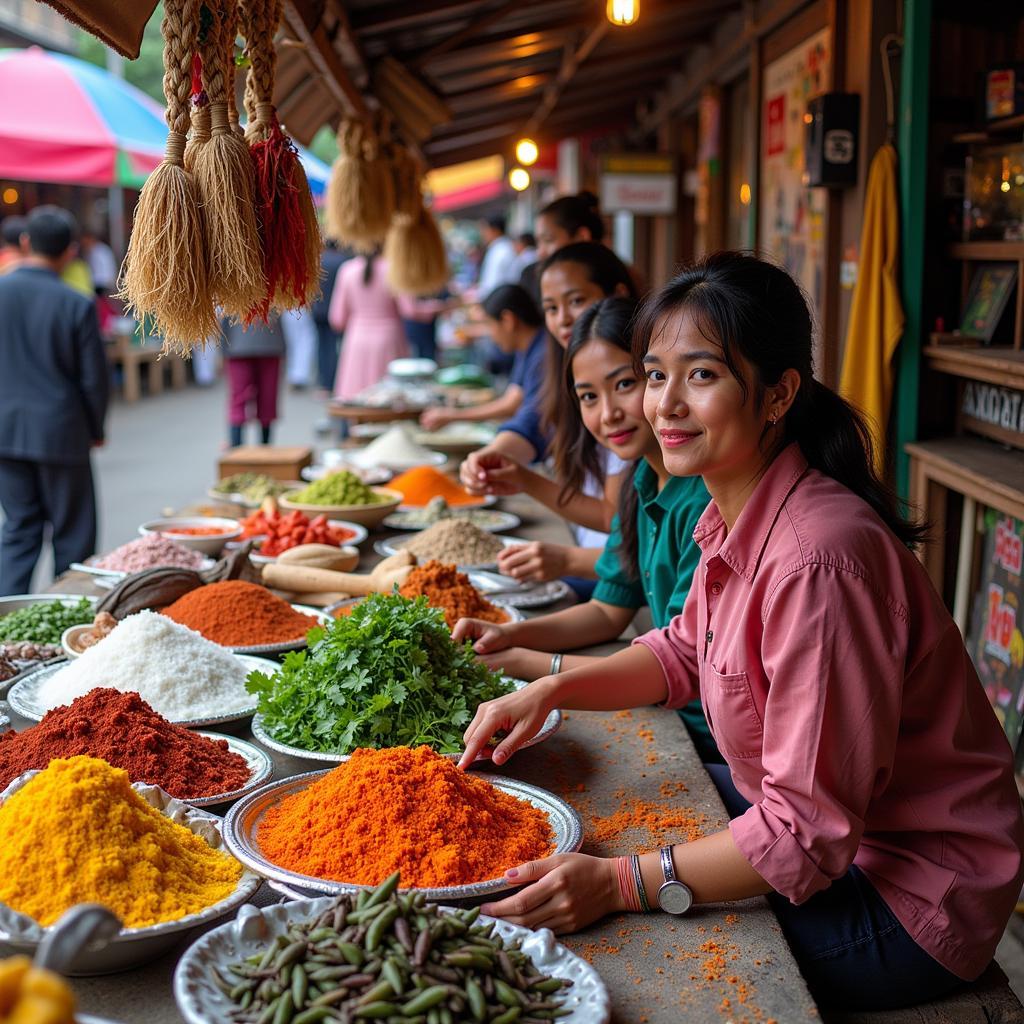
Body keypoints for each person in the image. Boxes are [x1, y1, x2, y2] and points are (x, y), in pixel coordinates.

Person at [457, 253, 1024, 1012]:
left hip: (908, 898)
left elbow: (803, 834)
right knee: (576, 827)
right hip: (836, 847)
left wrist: (621, 884)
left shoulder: (816, 560)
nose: (665, 406)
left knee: (604, 960)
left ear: (777, 394)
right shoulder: (736, 512)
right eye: (655, 375)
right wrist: (551, 687)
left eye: (702, 375)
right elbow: (683, 651)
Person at [454, 299, 711, 756]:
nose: (607, 413)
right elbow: (608, 611)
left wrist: (533, 666)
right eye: (589, 396)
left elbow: (678, 667)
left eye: (626, 384)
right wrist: (510, 634)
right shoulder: (642, 479)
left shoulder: (704, 501)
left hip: (705, 735)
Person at [460, 243, 638, 597]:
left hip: (605, 569)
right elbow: (533, 423)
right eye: (551, 308)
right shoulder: (557, 366)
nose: (564, 319)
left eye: (575, 301)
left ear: (617, 294)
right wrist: (493, 457)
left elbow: (617, 528)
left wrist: (524, 479)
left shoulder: (635, 420)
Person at [0, 206, 109, 595]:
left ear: (26, 243)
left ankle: (6, 618)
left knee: (18, 528)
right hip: (62, 431)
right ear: (70, 251)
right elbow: (94, 379)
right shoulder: (75, 303)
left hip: (6, 432)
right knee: (73, 533)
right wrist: (96, 429)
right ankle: (67, 617)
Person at [420, 285, 543, 432]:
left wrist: (453, 416)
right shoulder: (526, 349)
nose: (490, 335)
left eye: (489, 324)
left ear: (507, 320)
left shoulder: (542, 354)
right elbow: (513, 396)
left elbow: (511, 405)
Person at [329, 253, 443, 402]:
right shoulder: (395, 268)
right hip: (389, 340)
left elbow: (337, 319)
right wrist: (438, 308)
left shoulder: (347, 269)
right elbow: (410, 310)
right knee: (390, 402)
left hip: (356, 341)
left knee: (356, 402)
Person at [519, 192, 604, 305]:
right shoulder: (531, 277)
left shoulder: (612, 277)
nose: (540, 252)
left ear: (582, 236)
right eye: (552, 308)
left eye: (548, 240)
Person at [222, 315, 286, 447]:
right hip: (267, 341)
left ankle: (237, 452)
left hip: (240, 343)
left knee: (241, 400)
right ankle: (263, 451)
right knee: (266, 400)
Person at [311, 240, 350, 397]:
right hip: (336, 312)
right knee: (334, 347)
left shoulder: (318, 260)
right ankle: (333, 381)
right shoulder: (343, 261)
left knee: (322, 347)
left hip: (318, 311)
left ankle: (324, 383)